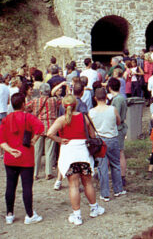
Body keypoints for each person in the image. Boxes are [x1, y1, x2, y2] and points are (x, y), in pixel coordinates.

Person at [46, 95, 105, 226]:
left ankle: (77, 215)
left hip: (69, 153)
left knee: (73, 185)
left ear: (63, 105)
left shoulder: (61, 120)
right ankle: (94, 208)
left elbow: (49, 133)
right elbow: (92, 135)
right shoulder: (84, 118)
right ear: (76, 105)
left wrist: (60, 140)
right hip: (83, 153)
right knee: (88, 183)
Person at [0, 92, 44, 225]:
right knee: (27, 187)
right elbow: (40, 127)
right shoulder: (28, 117)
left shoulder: (6, 119)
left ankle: (9, 214)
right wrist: (34, 139)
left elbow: (1, 140)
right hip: (26, 157)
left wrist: (10, 150)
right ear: (24, 104)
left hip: (10, 158)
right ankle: (29, 214)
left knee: (10, 186)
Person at [89, 88, 126, 202]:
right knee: (115, 164)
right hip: (113, 138)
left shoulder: (91, 112)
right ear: (106, 97)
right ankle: (118, 189)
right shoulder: (112, 109)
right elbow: (118, 121)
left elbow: (90, 128)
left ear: (95, 98)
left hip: (100, 140)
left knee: (102, 167)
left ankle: (105, 193)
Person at [25, 83, 59, 180]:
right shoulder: (54, 100)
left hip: (38, 128)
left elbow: (25, 107)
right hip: (51, 127)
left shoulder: (35, 101)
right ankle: (48, 172)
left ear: (40, 92)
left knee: (36, 151)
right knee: (49, 151)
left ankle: (35, 173)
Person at [107, 78, 129, 186]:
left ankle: (122, 176)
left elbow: (116, 116)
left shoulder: (117, 100)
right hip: (120, 127)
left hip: (118, 128)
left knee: (120, 153)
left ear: (109, 87)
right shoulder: (121, 98)